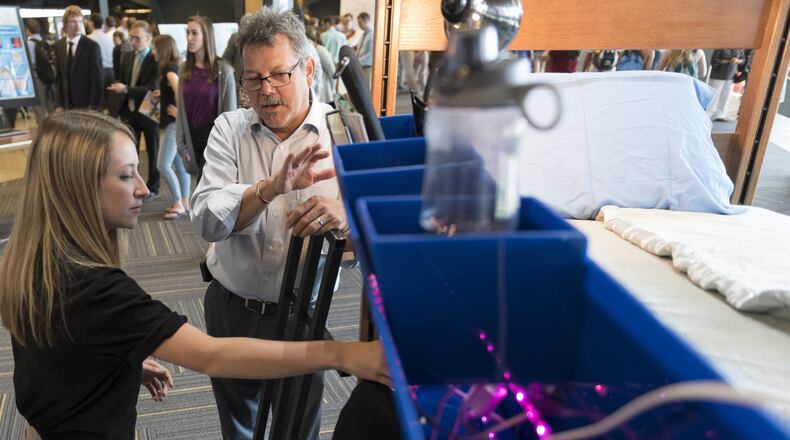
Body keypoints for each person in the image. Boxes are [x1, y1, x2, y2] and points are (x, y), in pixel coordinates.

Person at [0, 109, 389, 440]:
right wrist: (344, 353)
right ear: (78, 188)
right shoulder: (97, 290)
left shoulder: (30, 261)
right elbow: (212, 356)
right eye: (125, 176)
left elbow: (59, 351)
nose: (142, 189)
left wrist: (118, 361)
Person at [190, 9, 350, 440]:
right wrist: (267, 189)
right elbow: (206, 219)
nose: (266, 91)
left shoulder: (344, 135)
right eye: (253, 79)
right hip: (232, 309)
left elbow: (377, 235)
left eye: (279, 75)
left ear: (309, 69)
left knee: (297, 429)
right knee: (238, 427)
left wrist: (348, 219)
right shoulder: (230, 129)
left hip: (303, 316)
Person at [176, 15, 237, 183]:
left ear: (206, 36)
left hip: (214, 139)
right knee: (198, 186)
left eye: (194, 33)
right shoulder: (184, 69)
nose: (189, 38)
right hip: (191, 137)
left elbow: (230, 114)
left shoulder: (224, 70)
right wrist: (181, 144)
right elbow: (181, 111)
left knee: (208, 188)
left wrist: (225, 146)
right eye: (187, 33)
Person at [107, 20, 161, 200]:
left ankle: (153, 187)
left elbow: (152, 87)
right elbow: (123, 80)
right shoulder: (128, 56)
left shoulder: (156, 58)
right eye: (131, 38)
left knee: (154, 151)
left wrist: (126, 89)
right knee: (131, 153)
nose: (133, 42)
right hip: (129, 111)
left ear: (148, 38)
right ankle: (132, 185)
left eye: (137, 38)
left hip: (149, 111)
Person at [153, 35, 191, 219]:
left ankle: (178, 202)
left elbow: (179, 89)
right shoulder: (173, 67)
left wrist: (180, 112)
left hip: (172, 124)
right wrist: (164, 93)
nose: (153, 52)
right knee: (178, 164)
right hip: (173, 123)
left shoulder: (169, 69)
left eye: (155, 48)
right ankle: (185, 201)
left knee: (162, 164)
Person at [53, 5, 103, 111]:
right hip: (66, 104)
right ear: (65, 24)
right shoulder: (59, 45)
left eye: (80, 22)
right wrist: (59, 104)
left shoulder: (91, 46)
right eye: (73, 22)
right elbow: (59, 78)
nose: (78, 26)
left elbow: (97, 80)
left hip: (86, 105)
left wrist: (93, 107)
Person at [85, 13, 116, 111]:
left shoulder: (88, 39)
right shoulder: (109, 37)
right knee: (111, 102)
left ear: (91, 23)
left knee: (99, 102)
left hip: (98, 73)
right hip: (111, 72)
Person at [707, 49, 746, 121]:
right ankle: (708, 114)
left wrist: (737, 61)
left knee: (726, 96)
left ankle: (721, 115)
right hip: (718, 75)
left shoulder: (739, 48)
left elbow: (743, 60)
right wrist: (728, 61)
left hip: (731, 76)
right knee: (714, 96)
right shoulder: (721, 47)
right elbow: (714, 61)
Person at [305, 25, 335, 103]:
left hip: (324, 89)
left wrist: (332, 89)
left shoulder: (321, 51)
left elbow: (332, 72)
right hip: (316, 88)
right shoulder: (311, 50)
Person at [356, 12, 374, 88]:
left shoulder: (373, 34)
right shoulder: (363, 34)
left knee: (367, 89)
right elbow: (360, 49)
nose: (359, 25)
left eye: (360, 23)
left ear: (366, 20)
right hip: (362, 65)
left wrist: (358, 60)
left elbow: (371, 53)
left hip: (368, 66)